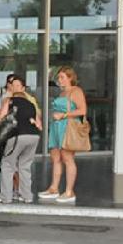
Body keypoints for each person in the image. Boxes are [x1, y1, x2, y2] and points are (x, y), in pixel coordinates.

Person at [39, 66, 88, 204]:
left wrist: (64, 115)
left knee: (67, 158)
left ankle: (69, 191)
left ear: (70, 78)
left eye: (62, 77)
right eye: (58, 77)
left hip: (67, 126)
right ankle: (54, 188)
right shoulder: (62, 93)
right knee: (55, 157)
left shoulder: (76, 91)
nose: (59, 80)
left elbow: (82, 110)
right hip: (56, 126)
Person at [0, 75, 42, 204]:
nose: (13, 88)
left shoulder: (9, 100)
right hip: (34, 136)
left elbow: (0, 119)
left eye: (16, 86)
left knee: (7, 165)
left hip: (18, 136)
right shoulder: (31, 104)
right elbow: (39, 125)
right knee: (25, 166)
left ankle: (6, 197)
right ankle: (27, 196)